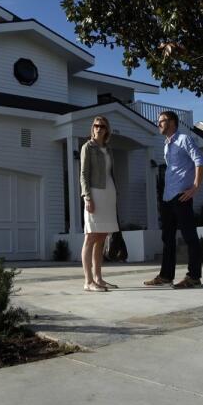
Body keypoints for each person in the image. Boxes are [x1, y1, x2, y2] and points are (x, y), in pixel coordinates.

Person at [145, 111, 203, 289]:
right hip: (168, 197)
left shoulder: (184, 139)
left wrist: (195, 186)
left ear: (172, 122)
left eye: (161, 121)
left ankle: (194, 277)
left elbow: (200, 161)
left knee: (189, 236)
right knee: (167, 238)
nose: (159, 124)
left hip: (182, 195)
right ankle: (166, 276)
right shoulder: (166, 145)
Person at [79, 116, 120, 292]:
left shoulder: (108, 149)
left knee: (102, 238)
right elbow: (83, 174)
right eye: (96, 126)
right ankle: (88, 281)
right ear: (92, 128)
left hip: (109, 194)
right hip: (94, 193)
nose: (98, 128)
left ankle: (99, 278)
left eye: (102, 126)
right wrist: (87, 196)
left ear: (107, 130)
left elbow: (111, 173)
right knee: (90, 237)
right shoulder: (87, 147)